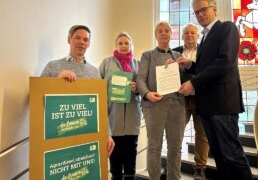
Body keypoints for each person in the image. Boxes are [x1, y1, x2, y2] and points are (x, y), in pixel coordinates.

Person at [177, 0, 253, 180]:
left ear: (214, 8)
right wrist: (191, 65)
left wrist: (193, 82)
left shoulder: (226, 27)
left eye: (204, 10)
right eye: (197, 12)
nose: (200, 14)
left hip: (223, 103)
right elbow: (206, 66)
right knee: (219, 156)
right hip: (208, 105)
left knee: (232, 155)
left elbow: (224, 62)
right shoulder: (204, 38)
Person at [41, 24, 115, 157]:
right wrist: (56, 81)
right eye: (77, 38)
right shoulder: (53, 66)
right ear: (69, 39)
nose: (81, 42)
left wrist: (107, 134)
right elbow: (35, 99)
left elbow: (101, 107)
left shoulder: (94, 72)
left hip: (87, 136)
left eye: (85, 40)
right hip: (59, 135)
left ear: (89, 44)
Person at [137, 21, 185, 180]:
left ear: (171, 34)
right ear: (156, 35)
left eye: (167, 31)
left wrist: (180, 67)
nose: (164, 33)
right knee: (154, 147)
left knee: (175, 147)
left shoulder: (178, 56)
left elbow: (186, 80)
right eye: (160, 31)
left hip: (177, 106)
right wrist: (147, 94)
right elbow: (140, 80)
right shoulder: (147, 55)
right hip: (154, 106)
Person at [99, 32, 142, 180]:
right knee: (115, 158)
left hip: (132, 118)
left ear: (131, 45)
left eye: (126, 43)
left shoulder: (138, 64)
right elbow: (98, 88)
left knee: (131, 159)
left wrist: (137, 90)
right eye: (120, 43)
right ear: (116, 45)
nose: (123, 46)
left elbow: (145, 89)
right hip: (113, 118)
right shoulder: (106, 63)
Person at [173, 23, 209, 180]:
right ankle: (174, 165)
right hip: (180, 99)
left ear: (198, 35)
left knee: (201, 134)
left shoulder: (206, 51)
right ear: (182, 36)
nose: (189, 35)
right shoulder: (174, 52)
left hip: (201, 98)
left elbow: (208, 72)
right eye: (186, 33)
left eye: (192, 33)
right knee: (176, 133)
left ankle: (200, 168)